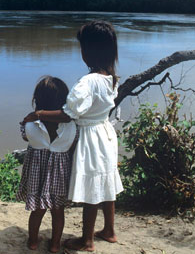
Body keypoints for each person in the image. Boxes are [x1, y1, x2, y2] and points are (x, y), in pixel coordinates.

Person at [22, 20, 124, 252]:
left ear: (88, 51)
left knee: (92, 188)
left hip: (90, 136)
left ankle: (86, 240)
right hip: (106, 132)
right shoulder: (111, 77)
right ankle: (109, 230)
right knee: (105, 181)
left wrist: (38, 113)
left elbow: (68, 114)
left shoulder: (87, 82)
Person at [17, 76, 79, 253]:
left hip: (37, 176)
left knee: (37, 210)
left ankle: (33, 242)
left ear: (38, 100)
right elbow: (73, 144)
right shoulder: (73, 127)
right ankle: (54, 245)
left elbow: (24, 136)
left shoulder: (29, 124)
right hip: (60, 176)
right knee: (58, 211)